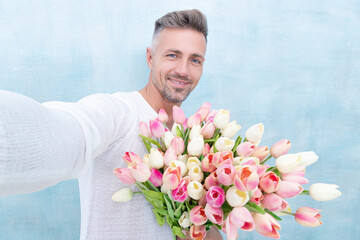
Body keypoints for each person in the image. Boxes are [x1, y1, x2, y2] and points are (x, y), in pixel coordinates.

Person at [0, 9, 222, 240]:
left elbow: (203, 230)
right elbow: (73, 130)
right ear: (150, 58)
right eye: (172, 55)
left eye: (195, 60)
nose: (183, 70)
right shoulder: (118, 112)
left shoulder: (194, 141)